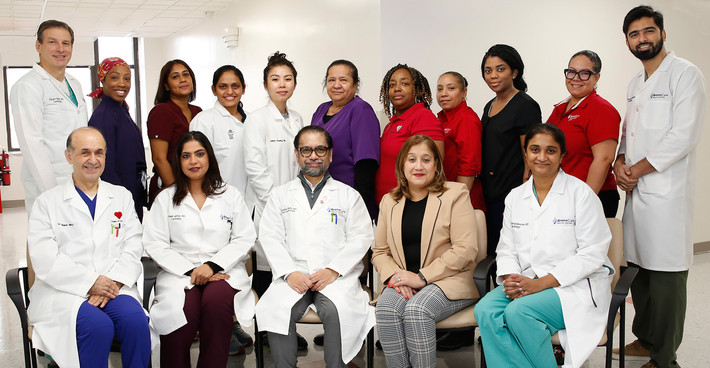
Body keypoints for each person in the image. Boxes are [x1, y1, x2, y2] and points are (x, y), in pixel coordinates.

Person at [474, 123, 613, 368]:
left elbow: (593, 254)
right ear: (525, 154)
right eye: (535, 149)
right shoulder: (516, 196)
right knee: (485, 310)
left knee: (519, 312)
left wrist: (540, 284)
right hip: (526, 279)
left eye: (551, 151)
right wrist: (511, 279)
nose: (542, 157)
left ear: (562, 156)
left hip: (574, 286)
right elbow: (506, 248)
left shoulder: (581, 194)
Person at [613, 6, 706, 368]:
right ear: (627, 42)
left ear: (663, 34)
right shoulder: (636, 84)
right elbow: (628, 134)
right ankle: (647, 339)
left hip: (667, 194)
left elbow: (683, 136)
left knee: (667, 279)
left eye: (649, 31)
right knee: (639, 271)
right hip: (637, 193)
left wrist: (633, 169)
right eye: (635, 34)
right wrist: (621, 162)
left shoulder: (685, 75)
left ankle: (665, 357)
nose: (642, 39)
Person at [27, 127, 150, 368]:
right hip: (63, 291)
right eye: (85, 152)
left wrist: (112, 282)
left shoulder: (121, 196)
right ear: (69, 156)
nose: (93, 160)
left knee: (135, 321)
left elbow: (133, 245)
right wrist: (91, 282)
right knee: (98, 327)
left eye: (99, 153)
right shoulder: (47, 203)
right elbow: (45, 259)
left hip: (114, 285)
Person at [255, 126, 375, 368]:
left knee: (336, 312)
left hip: (335, 278)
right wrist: (290, 272)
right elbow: (269, 237)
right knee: (279, 309)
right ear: (297, 154)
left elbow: (361, 237)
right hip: (292, 275)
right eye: (306, 149)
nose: (313, 155)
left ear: (330, 154)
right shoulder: (279, 196)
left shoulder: (348, 196)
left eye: (320, 149)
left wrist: (333, 270)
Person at [143, 131, 256, 368]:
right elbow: (155, 243)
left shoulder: (230, 195)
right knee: (184, 310)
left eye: (199, 154)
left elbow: (245, 237)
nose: (193, 161)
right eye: (186, 156)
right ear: (178, 161)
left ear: (209, 158)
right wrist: (193, 270)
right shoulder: (166, 198)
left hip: (223, 271)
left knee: (216, 302)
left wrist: (212, 266)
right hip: (178, 274)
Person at [372, 134, 479, 368]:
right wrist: (395, 277)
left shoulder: (455, 193)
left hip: (448, 280)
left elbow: (466, 249)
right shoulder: (389, 201)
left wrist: (421, 277)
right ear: (402, 164)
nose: (418, 166)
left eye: (426, 160)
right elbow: (379, 251)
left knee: (417, 310)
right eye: (411, 159)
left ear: (437, 165)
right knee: (386, 309)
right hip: (403, 279)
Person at [189, 64, 254, 354]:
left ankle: (231, 320)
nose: (230, 91)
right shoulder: (205, 120)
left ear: (243, 88)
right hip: (213, 204)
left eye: (235, 86)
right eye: (223, 86)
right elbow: (196, 163)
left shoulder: (250, 120)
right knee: (214, 263)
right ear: (214, 89)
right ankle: (216, 327)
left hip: (246, 202)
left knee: (238, 263)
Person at [10, 20, 87, 214]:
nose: (60, 49)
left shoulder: (74, 84)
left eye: (66, 43)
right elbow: (31, 143)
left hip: (77, 177)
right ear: (39, 46)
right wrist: (51, 192)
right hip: (48, 181)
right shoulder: (28, 86)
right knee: (45, 237)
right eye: (52, 42)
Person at [243, 51, 304, 293]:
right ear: (266, 85)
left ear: (295, 84)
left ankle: (286, 328)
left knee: (290, 267)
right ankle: (266, 331)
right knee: (265, 269)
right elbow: (255, 168)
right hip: (266, 205)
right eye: (275, 79)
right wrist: (276, 202)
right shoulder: (257, 120)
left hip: (292, 203)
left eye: (287, 79)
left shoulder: (298, 119)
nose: (282, 84)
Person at [479, 44, 542, 255]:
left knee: (509, 253)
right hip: (489, 191)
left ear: (514, 72)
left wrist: (525, 194)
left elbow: (531, 155)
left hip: (512, 193)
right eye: (488, 71)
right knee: (490, 252)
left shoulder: (525, 105)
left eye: (500, 69)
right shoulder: (489, 105)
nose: (493, 75)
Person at [546, 50, 621, 218]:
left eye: (584, 73)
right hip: (561, 195)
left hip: (592, 197)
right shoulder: (559, 109)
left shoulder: (602, 110)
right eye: (571, 72)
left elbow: (603, 159)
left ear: (596, 77)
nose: (575, 78)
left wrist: (585, 203)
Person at [311, 59, 381, 219]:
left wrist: (356, 207)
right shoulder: (321, 110)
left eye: (343, 80)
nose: (336, 85)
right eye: (331, 80)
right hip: (323, 198)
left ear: (356, 84)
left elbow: (366, 164)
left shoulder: (360, 110)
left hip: (350, 200)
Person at [88, 57, 148, 221]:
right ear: (102, 79)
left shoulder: (122, 110)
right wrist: (120, 199)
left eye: (127, 78)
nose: (122, 83)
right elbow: (105, 166)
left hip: (131, 191)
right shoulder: (104, 116)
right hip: (119, 198)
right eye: (114, 77)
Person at [375, 64, 444, 205]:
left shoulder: (424, 117)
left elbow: (433, 166)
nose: (397, 88)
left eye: (405, 83)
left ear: (417, 90)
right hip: (388, 204)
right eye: (392, 85)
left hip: (410, 204)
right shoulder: (391, 123)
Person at [147, 59, 201, 207]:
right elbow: (159, 159)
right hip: (170, 187)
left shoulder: (198, 112)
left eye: (186, 74)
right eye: (175, 76)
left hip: (194, 187)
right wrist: (178, 192)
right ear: (166, 85)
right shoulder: (162, 111)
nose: (182, 79)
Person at [436, 71, 486, 212]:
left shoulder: (467, 119)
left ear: (464, 92)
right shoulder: (440, 119)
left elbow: (468, 166)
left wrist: (457, 202)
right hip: (444, 196)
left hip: (463, 199)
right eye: (440, 89)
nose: (444, 93)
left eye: (451, 88)